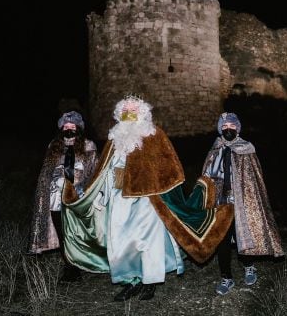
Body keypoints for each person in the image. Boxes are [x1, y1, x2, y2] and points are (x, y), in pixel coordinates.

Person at [61, 96, 233, 301]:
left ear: (143, 112)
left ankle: (149, 282)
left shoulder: (154, 135)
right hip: (119, 197)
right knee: (120, 241)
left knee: (147, 242)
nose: (129, 112)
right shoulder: (115, 139)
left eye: (134, 109)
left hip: (147, 200)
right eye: (125, 109)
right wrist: (100, 195)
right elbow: (105, 171)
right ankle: (130, 281)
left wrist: (159, 189)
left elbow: (172, 168)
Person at [202, 112, 284, 296]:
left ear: (237, 128)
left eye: (231, 126)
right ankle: (226, 277)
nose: (228, 129)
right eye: (224, 127)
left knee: (242, 235)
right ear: (220, 129)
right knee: (221, 240)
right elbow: (207, 176)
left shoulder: (247, 148)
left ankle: (249, 266)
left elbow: (254, 179)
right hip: (220, 203)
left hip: (242, 201)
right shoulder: (215, 149)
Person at [27, 111, 98, 281]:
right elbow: (46, 173)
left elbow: (94, 172)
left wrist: (84, 190)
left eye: (72, 127)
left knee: (74, 232)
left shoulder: (89, 146)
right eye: (66, 127)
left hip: (77, 197)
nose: (69, 129)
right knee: (61, 232)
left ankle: (80, 263)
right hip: (55, 198)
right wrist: (46, 190)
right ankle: (69, 267)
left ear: (79, 128)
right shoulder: (54, 146)